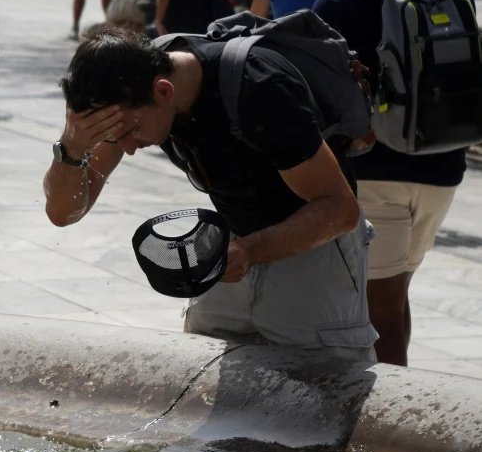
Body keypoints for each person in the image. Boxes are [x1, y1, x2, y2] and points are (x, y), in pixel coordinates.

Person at [43, 27, 378, 359]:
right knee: (203, 387)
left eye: (131, 132)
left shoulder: (259, 87)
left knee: (325, 391)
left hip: (315, 247)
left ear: (163, 91)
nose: (128, 149)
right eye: (114, 138)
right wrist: (71, 147)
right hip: (236, 246)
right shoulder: (131, 96)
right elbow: (63, 212)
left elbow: (340, 209)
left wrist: (250, 250)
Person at [313, 0, 466, 366]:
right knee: (396, 295)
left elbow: (309, 84)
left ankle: (392, 424)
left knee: (380, 306)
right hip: (442, 169)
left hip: (375, 170)